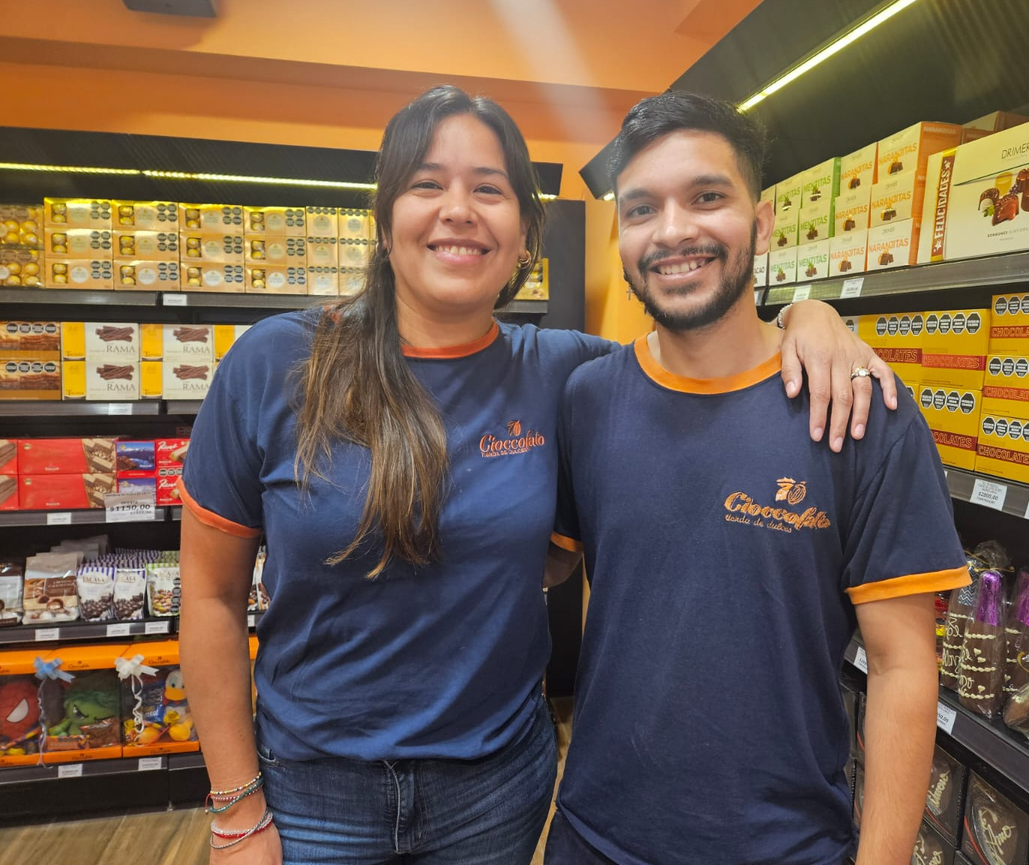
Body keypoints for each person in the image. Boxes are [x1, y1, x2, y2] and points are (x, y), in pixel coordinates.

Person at [177, 85, 892, 865]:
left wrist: (807, 315)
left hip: (494, 792)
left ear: (524, 237)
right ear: (384, 225)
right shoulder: (276, 364)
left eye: (489, 188)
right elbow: (210, 596)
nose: (458, 209)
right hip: (312, 794)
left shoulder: (568, 374)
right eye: (426, 184)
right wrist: (235, 807)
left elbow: (707, 350)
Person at [543, 92, 970, 865]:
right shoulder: (588, 399)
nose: (674, 231)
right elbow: (551, 564)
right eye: (642, 209)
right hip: (594, 836)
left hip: (785, 845)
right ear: (621, 235)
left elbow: (905, 668)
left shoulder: (864, 409)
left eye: (708, 197)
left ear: (763, 221)